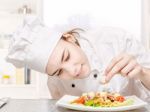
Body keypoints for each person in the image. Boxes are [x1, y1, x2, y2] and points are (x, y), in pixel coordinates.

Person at [6, 17, 150, 102]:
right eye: (59, 72)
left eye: (66, 56)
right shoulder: (54, 83)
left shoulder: (116, 40)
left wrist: (142, 73)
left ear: (70, 38)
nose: (72, 70)